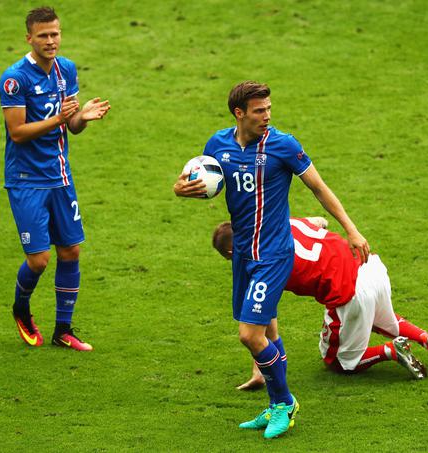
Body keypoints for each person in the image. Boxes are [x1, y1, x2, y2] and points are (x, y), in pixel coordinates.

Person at [174, 81, 370, 439]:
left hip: (274, 253)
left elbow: (319, 188)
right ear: (239, 113)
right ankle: (275, 400)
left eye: (268, 109)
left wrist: (352, 230)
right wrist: (180, 188)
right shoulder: (218, 144)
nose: (267, 116)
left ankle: (284, 402)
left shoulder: (283, 145)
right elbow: (200, 179)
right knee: (267, 330)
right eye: (259, 111)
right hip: (244, 253)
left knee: (250, 334)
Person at [212, 217, 428, 390]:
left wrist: (260, 368)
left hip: (350, 293)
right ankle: (425, 338)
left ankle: (390, 351)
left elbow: (263, 321)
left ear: (232, 253)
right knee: (376, 319)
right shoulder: (277, 220)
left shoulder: (261, 265)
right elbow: (319, 221)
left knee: (338, 362)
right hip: (370, 266)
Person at [0, 7, 110, 351]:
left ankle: (64, 330)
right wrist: (60, 118)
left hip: (60, 176)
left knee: (71, 250)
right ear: (29, 38)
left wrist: (82, 118)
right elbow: (17, 132)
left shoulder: (66, 70)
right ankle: (21, 308)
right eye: (43, 35)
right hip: (26, 179)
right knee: (39, 259)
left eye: (55, 34)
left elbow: (71, 126)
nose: (51, 41)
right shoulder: (14, 79)